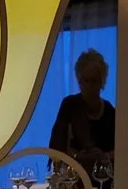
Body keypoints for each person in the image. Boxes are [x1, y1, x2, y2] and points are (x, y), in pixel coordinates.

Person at [48, 49, 115, 180]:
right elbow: (56, 149)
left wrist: (103, 156)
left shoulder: (110, 112)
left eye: (93, 81)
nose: (89, 86)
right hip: (73, 180)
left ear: (101, 82)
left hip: (102, 181)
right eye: (85, 80)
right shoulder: (70, 106)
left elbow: (122, 151)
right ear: (79, 81)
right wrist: (77, 156)